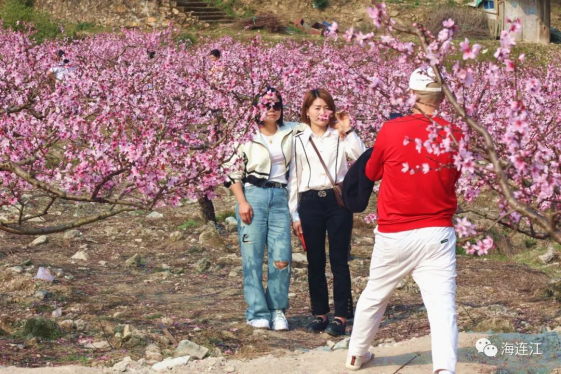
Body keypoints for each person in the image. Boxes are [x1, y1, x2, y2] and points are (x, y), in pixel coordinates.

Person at [345, 68, 462, 373]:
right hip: (437, 230)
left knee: (375, 294)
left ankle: (356, 355)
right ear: (442, 97)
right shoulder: (455, 133)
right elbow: (455, 179)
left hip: (395, 230)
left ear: (412, 95)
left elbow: (371, 173)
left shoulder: (391, 130)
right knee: (442, 305)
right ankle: (444, 368)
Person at [288, 88, 366, 337]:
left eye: (326, 108)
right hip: (309, 201)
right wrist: (294, 214)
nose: (322, 113)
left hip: (336, 201)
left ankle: (341, 315)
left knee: (339, 259)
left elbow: (361, 157)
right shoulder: (298, 139)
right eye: (317, 108)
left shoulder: (339, 136)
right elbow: (293, 178)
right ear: (307, 111)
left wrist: (348, 130)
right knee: (315, 262)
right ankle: (320, 313)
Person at [225, 87, 301, 330]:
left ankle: (277, 309)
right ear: (257, 107)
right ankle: (257, 311)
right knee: (252, 257)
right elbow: (232, 171)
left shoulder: (293, 130)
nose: (271, 109)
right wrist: (242, 201)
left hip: (280, 196)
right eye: (266, 105)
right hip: (253, 195)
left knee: (282, 257)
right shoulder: (245, 135)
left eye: (276, 105)